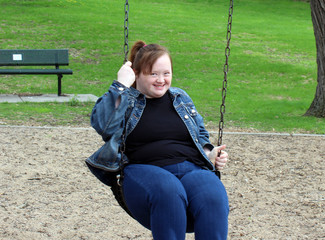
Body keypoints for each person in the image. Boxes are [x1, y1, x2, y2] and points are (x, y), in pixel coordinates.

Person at [87, 40, 229, 240]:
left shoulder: (180, 97)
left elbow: (200, 135)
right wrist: (120, 86)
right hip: (144, 169)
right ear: (136, 74)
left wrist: (209, 153)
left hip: (190, 167)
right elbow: (103, 124)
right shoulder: (127, 101)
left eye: (166, 73)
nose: (161, 80)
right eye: (153, 74)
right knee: (168, 191)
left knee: (213, 194)